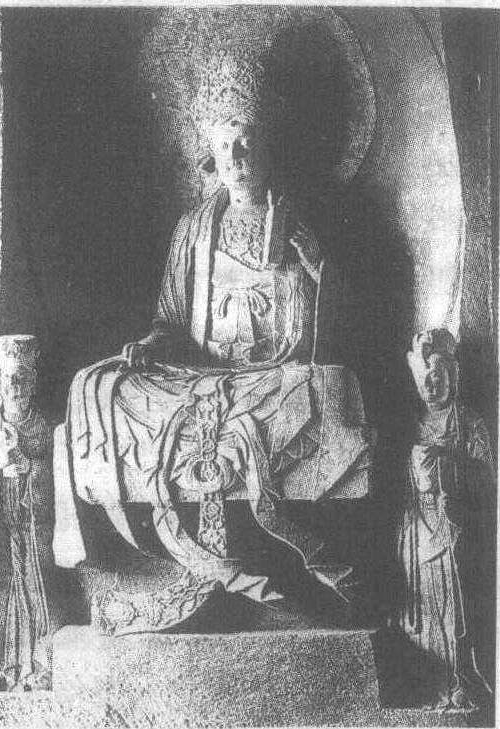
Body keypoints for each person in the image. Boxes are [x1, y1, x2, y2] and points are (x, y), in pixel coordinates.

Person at [53, 51, 374, 630]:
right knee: (95, 385)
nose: (237, 158)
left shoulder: (304, 222)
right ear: (211, 154)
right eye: (225, 147)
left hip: (274, 378)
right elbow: (172, 320)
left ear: (268, 147)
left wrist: (319, 268)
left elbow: (342, 332)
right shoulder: (194, 228)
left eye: (246, 143)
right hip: (198, 376)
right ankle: (132, 568)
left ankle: (289, 579)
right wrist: (151, 346)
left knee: (322, 385)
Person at [398, 329, 494, 708]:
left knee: (455, 609)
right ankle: (430, 681)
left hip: (455, 527)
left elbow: (487, 480)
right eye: (425, 377)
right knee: (421, 608)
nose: (431, 383)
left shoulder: (469, 422)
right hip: (417, 529)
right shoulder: (412, 425)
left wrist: (445, 466)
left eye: (438, 375)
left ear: (453, 376)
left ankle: (459, 678)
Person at [0, 335, 53, 691]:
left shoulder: (43, 427)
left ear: (33, 382)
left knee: (35, 594)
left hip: (31, 529)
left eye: (21, 378)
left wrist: (29, 467)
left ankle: (36, 665)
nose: (15, 385)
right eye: (9, 378)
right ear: (0, 381)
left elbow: (54, 477)